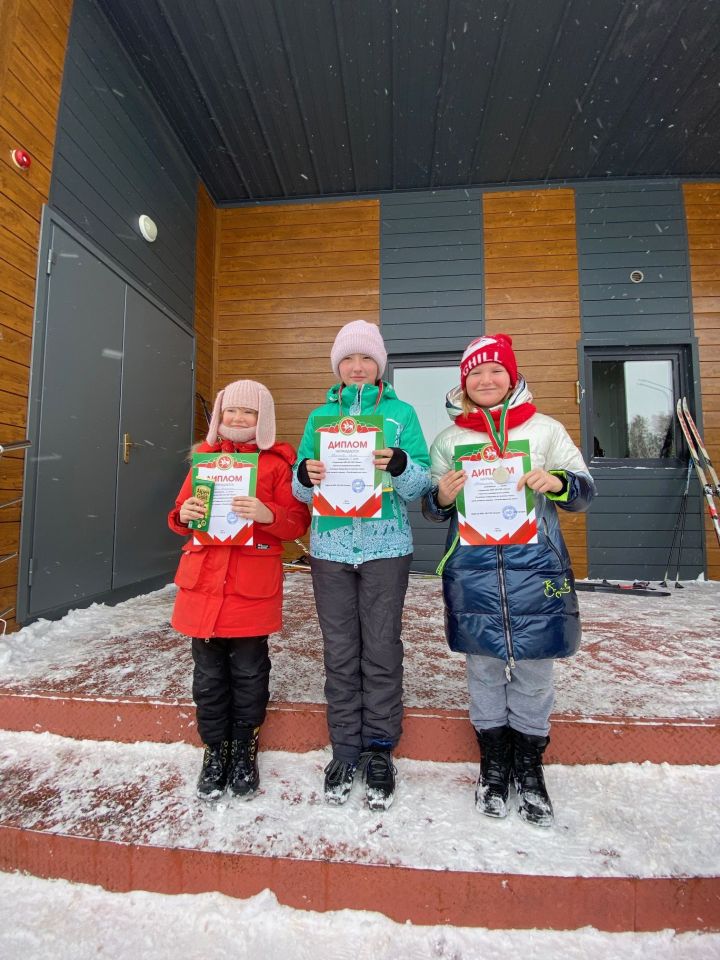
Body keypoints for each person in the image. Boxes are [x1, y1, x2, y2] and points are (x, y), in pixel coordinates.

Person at [422, 334, 595, 827]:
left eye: (495, 371)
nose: (485, 380)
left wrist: (557, 482)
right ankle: (494, 763)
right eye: (475, 373)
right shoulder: (450, 440)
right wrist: (441, 495)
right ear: (464, 383)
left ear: (513, 376)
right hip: (474, 574)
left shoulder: (545, 431)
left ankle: (529, 764)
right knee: (482, 671)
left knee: (536, 673)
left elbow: (583, 492)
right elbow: (434, 511)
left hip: (536, 571)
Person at [292, 320, 431, 811]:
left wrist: (399, 466)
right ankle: (345, 748)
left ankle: (378, 749)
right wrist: (305, 475)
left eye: (366, 359)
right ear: (337, 365)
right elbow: (299, 487)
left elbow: (422, 486)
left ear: (379, 366)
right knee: (339, 649)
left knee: (381, 646)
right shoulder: (318, 416)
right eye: (349, 359)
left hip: (386, 546)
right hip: (330, 548)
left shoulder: (401, 414)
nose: (357, 367)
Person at [168, 380, 310, 802]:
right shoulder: (203, 462)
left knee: (249, 671)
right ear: (219, 417)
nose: (238, 419)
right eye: (231, 411)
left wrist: (268, 513)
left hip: (249, 586)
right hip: (203, 584)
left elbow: (296, 522)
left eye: (249, 413)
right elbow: (178, 514)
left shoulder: (276, 466)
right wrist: (186, 513)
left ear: (262, 420)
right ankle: (216, 749)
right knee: (208, 676)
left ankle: (244, 745)